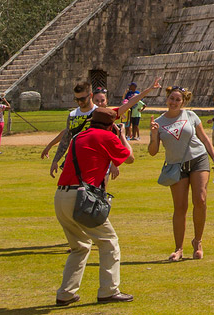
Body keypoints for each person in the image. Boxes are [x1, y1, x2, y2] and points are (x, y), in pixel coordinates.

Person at [52, 106, 133, 304]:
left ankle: (66, 293)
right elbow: (129, 157)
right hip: (82, 198)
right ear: (111, 125)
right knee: (109, 241)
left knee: (79, 246)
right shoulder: (107, 137)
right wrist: (121, 135)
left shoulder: (78, 137)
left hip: (61, 195)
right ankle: (109, 290)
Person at [149, 86, 214, 259]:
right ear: (167, 99)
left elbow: (204, 138)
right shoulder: (159, 122)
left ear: (183, 101)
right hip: (176, 165)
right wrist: (153, 135)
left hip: (198, 159)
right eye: (171, 99)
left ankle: (198, 241)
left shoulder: (190, 116)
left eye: (178, 100)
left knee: (201, 199)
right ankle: (179, 249)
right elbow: (152, 151)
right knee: (180, 207)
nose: (174, 102)